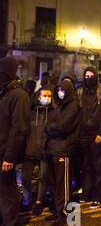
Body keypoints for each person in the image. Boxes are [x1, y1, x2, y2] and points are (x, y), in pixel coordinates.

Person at [44, 79, 81, 226]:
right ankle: (59, 211)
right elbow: (51, 125)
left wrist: (50, 128)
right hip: (54, 148)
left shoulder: (73, 107)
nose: (60, 93)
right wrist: (51, 127)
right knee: (55, 183)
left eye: (63, 90)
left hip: (64, 149)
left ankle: (67, 214)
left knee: (63, 184)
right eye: (58, 90)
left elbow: (62, 127)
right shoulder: (59, 107)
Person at [0, 57, 30, 226]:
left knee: (8, 194)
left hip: (6, 155)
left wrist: (9, 158)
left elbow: (19, 129)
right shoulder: (5, 92)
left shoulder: (19, 95)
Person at [78, 67, 101, 208]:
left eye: (91, 76)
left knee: (98, 166)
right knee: (86, 166)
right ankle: (87, 194)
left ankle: (99, 196)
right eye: (87, 76)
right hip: (84, 135)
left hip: (97, 135)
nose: (88, 78)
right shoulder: (80, 92)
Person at [22, 86, 54, 216]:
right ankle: (26, 200)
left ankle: (39, 201)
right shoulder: (30, 113)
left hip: (45, 151)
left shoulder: (52, 113)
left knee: (43, 178)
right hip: (30, 150)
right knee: (25, 178)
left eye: (49, 96)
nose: (47, 98)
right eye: (44, 95)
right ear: (38, 97)